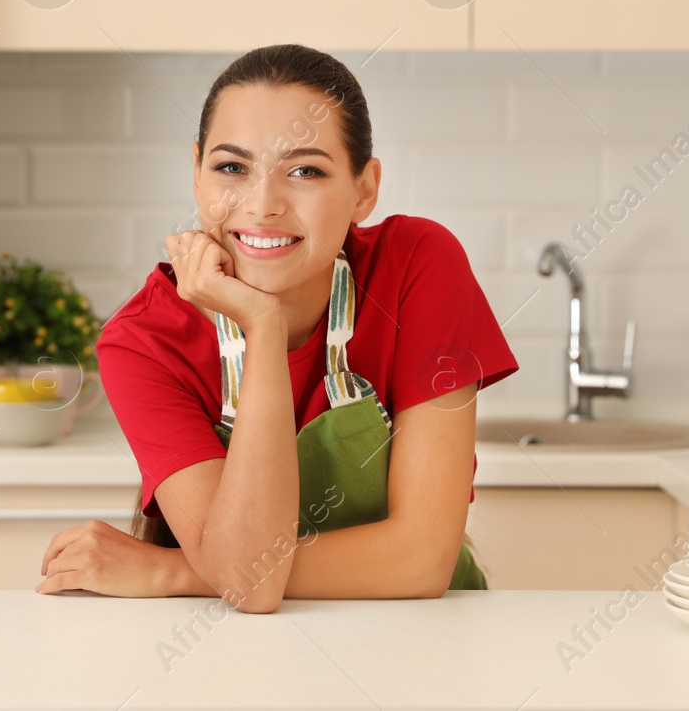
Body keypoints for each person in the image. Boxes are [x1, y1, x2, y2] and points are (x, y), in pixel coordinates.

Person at [36, 44, 519, 610]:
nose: (263, 205)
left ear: (364, 189)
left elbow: (419, 560)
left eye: (305, 170)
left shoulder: (418, 265)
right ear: (196, 175)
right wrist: (263, 326)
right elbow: (250, 587)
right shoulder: (144, 342)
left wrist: (173, 571)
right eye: (232, 167)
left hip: (424, 638)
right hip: (237, 651)